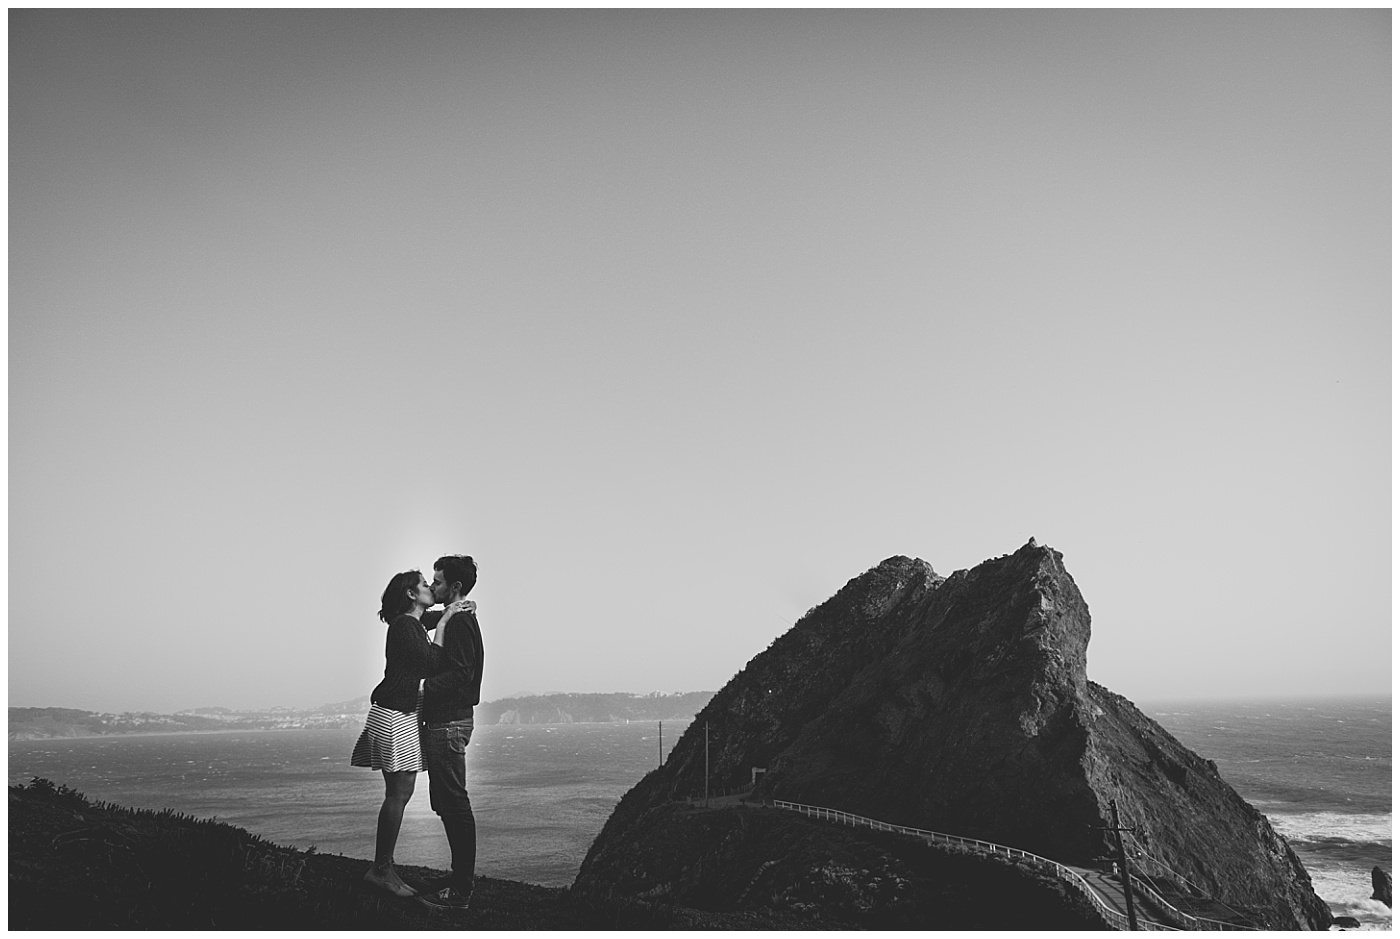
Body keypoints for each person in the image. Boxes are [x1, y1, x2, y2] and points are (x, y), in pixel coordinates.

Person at [351, 570, 474, 898]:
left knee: (399, 794)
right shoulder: (406, 626)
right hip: (396, 716)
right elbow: (433, 662)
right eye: (423, 585)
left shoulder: (411, 624)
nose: (430, 588)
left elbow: (431, 618)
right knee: (398, 795)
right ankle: (381, 871)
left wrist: (452, 611)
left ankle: (384, 868)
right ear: (409, 595)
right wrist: (447, 621)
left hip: (398, 714)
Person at [415, 554, 485, 912]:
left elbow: (462, 673)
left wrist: (422, 689)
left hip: (448, 722)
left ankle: (460, 890)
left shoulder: (459, 623)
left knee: (454, 804)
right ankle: (459, 878)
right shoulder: (456, 616)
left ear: (455, 587)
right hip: (449, 720)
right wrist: (443, 611)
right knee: (445, 802)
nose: (432, 586)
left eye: (438, 582)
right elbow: (413, 619)